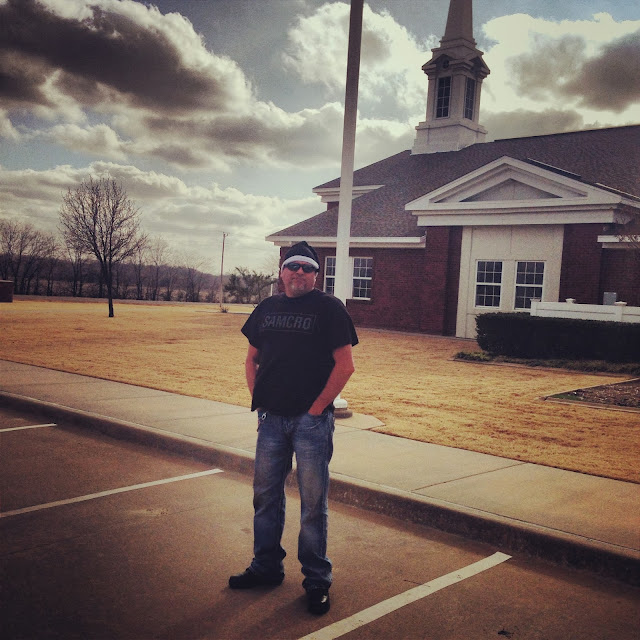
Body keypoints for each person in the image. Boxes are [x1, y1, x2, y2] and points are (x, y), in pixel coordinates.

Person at [229, 241, 358, 615]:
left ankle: (317, 579)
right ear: (282, 272)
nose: (299, 272)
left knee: (313, 504)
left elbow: (345, 365)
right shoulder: (267, 308)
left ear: (316, 274)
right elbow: (252, 359)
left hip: (310, 423)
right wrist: (260, 402)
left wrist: (316, 409)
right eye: (293, 266)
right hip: (271, 419)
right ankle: (266, 567)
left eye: (307, 267)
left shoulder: (330, 309)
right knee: (265, 497)